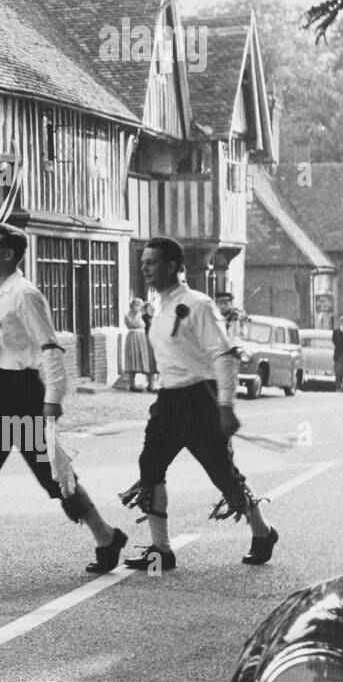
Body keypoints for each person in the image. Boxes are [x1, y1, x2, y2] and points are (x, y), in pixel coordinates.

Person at [0, 224, 127, 575]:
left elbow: (50, 346)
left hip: (23, 392)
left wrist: (53, 399)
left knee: (54, 475)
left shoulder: (25, 294)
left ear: (8, 254)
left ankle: (106, 536)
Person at [119, 237, 278, 570]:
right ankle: (160, 551)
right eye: (143, 262)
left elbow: (223, 355)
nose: (145, 268)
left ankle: (262, 532)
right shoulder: (157, 305)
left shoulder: (199, 304)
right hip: (168, 399)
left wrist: (226, 406)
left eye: (152, 262)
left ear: (174, 266)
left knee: (222, 473)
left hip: (200, 400)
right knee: (150, 467)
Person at [122, 298, 157, 392]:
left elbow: (151, 324)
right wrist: (139, 314)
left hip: (144, 338)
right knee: (133, 359)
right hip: (133, 338)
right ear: (131, 306)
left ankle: (151, 385)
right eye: (136, 305)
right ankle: (132, 384)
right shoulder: (128, 316)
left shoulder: (145, 315)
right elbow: (133, 324)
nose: (138, 307)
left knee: (147, 360)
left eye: (140, 305)